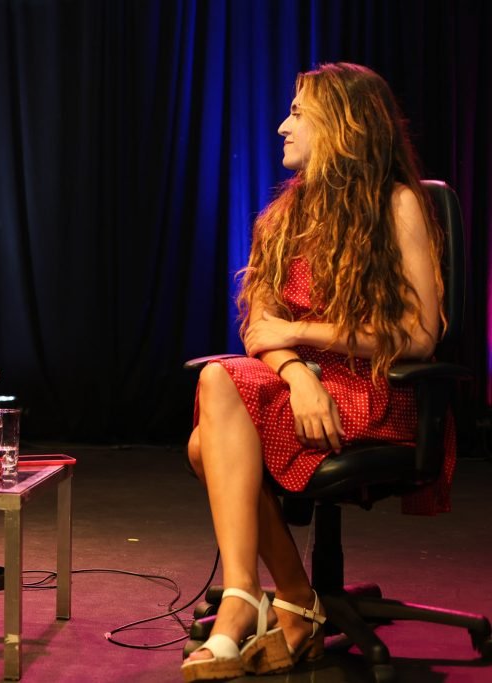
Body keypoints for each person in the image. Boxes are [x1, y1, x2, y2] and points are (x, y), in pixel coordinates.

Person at [180, 63, 448, 681]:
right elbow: (259, 332)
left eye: (298, 113)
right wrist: (299, 373)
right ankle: (277, 600)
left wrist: (300, 335)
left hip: (375, 387)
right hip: (302, 389)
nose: (282, 126)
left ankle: (262, 604)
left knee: (205, 445)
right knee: (218, 382)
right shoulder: (281, 220)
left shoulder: (396, 204)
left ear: (345, 126)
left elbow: (419, 335)